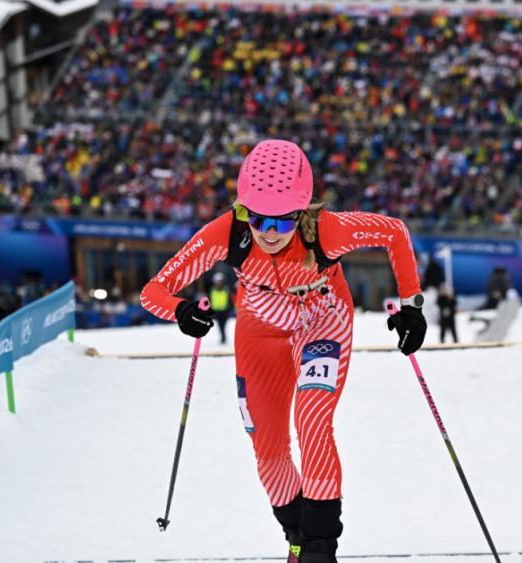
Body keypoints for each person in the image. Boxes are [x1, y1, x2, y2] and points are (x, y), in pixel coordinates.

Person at [140, 140, 427, 563]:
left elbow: (394, 232)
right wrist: (181, 311)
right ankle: (297, 537)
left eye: (284, 222)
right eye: (259, 220)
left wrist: (411, 306)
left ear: (303, 213)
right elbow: (153, 291)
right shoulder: (228, 233)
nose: (270, 234)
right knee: (268, 450)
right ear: (242, 210)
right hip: (260, 335)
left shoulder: (327, 229)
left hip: (321, 323)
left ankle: (319, 548)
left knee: (311, 419)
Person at [209, 271, 232, 344]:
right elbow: (210, 300)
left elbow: (230, 300)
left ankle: (223, 337)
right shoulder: (212, 290)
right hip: (217, 311)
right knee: (220, 325)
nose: (219, 283)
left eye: (220, 281)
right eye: (217, 282)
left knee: (223, 325)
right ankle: (223, 337)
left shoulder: (226, 290)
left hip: (225, 311)